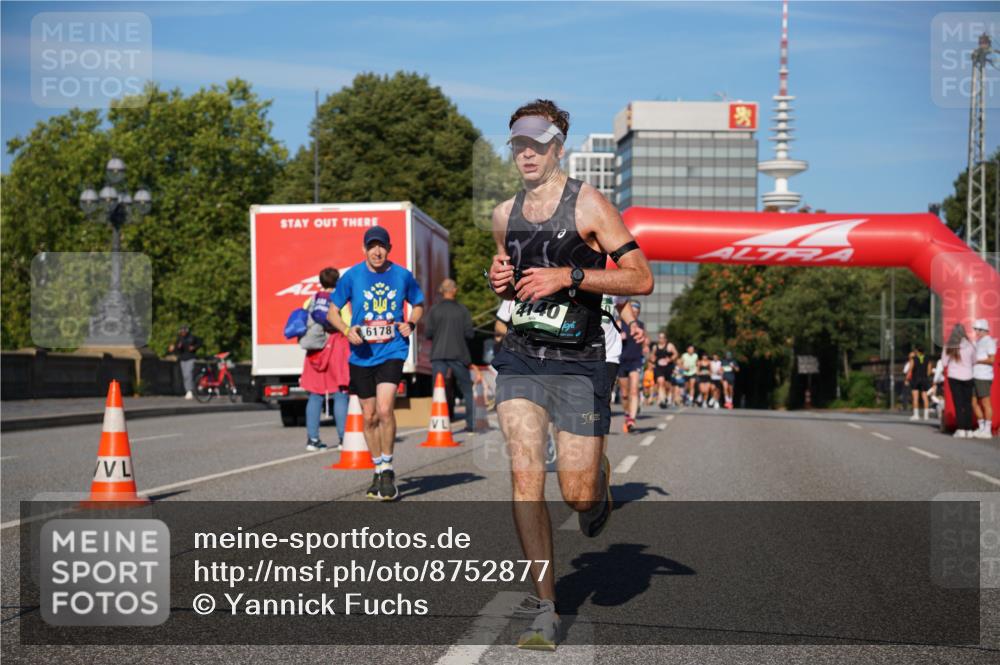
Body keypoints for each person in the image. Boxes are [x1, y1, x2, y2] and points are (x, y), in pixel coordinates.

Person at [488, 99, 653, 651]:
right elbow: (512, 284)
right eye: (519, 144)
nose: (527, 153)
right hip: (522, 355)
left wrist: (571, 275)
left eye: (537, 143)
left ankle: (598, 487)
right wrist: (500, 280)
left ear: (559, 145)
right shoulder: (502, 214)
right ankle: (545, 608)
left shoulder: (589, 204)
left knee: (576, 494)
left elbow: (641, 278)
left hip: (582, 359)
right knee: (524, 472)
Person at [325, 227, 425, 501]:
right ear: (364, 249)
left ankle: (389, 467)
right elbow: (333, 312)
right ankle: (378, 468)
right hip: (361, 354)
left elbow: (418, 303)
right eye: (372, 247)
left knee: (384, 409)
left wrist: (411, 323)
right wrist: (347, 331)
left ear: (389, 248)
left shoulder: (402, 275)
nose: (377, 251)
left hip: (392, 350)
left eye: (381, 246)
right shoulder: (352, 276)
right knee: (368, 417)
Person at [300, 267, 350, 451]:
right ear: (338, 281)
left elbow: (305, 322)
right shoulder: (340, 299)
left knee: (315, 394)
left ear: (320, 282)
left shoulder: (310, 300)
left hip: (315, 351)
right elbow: (347, 324)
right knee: (340, 393)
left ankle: (312, 440)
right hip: (336, 347)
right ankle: (344, 438)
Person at [425, 278, 477, 433]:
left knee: (438, 389)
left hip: (439, 355)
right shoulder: (463, 310)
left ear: (442, 291)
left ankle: (440, 423)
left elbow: (428, 333)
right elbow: (469, 334)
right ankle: (471, 424)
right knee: (467, 389)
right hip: (459, 354)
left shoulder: (434, 310)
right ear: (454, 290)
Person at [942, 323, 976, 438]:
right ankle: (969, 429)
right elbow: (974, 361)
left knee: (958, 403)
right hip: (968, 376)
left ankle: (960, 429)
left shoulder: (949, 345)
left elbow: (944, 363)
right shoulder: (970, 345)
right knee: (967, 403)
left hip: (954, 376)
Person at [617, 302, 647, 432]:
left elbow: (646, 340)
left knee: (634, 390)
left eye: (636, 311)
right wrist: (619, 336)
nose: (634, 312)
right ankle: (627, 414)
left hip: (635, 360)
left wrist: (645, 344)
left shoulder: (640, 325)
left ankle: (632, 419)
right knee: (624, 394)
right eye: (632, 310)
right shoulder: (619, 323)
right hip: (621, 361)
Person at [972, 319, 996, 438]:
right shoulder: (978, 341)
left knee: (985, 402)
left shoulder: (989, 342)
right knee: (973, 402)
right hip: (975, 375)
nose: (975, 331)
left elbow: (992, 360)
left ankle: (987, 430)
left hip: (984, 376)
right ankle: (981, 427)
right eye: (975, 329)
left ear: (984, 330)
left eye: (977, 329)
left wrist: (978, 361)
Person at [168, 324, 202, 400]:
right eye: (181, 330)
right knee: (185, 376)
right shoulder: (179, 339)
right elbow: (176, 350)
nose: (182, 332)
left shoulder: (192, 337)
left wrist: (194, 347)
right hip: (183, 359)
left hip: (191, 358)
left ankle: (189, 391)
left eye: (184, 330)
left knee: (188, 374)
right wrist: (174, 348)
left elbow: (200, 342)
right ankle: (190, 390)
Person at [649, 332, 677, 408]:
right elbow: (652, 356)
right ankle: (662, 400)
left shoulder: (670, 346)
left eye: (662, 338)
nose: (661, 339)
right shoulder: (655, 347)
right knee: (660, 382)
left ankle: (667, 397)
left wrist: (670, 359)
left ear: (665, 339)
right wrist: (652, 360)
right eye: (659, 338)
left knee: (667, 385)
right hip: (658, 367)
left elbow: (676, 354)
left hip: (668, 368)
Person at [906, 346, 932, 421]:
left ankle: (916, 415)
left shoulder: (914, 359)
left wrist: (907, 379)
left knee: (915, 397)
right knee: (925, 397)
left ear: (917, 351)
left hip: (915, 379)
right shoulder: (927, 359)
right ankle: (926, 416)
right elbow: (929, 371)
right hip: (924, 379)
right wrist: (926, 376)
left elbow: (910, 369)